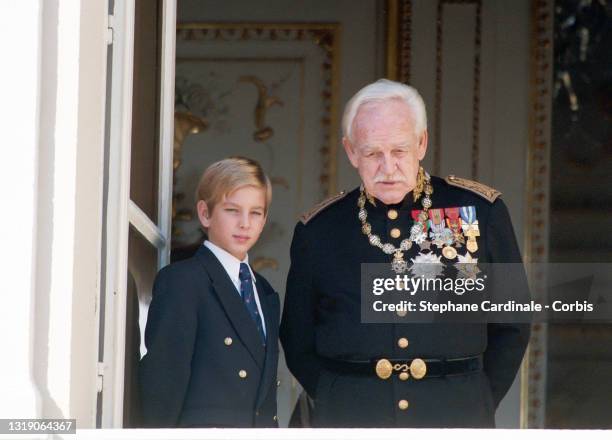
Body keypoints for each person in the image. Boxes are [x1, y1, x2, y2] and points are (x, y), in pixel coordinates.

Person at [280, 79, 531, 428]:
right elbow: (297, 336)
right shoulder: (319, 230)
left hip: (454, 414)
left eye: (399, 151)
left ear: (421, 143)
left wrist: (478, 399)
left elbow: (512, 322)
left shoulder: (476, 211)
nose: (387, 167)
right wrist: (334, 395)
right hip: (351, 417)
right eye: (372, 153)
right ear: (351, 151)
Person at [139, 157, 280, 428]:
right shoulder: (182, 282)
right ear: (205, 213)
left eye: (255, 213)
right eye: (232, 210)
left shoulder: (265, 292)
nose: (245, 224)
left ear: (264, 220)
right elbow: (161, 389)